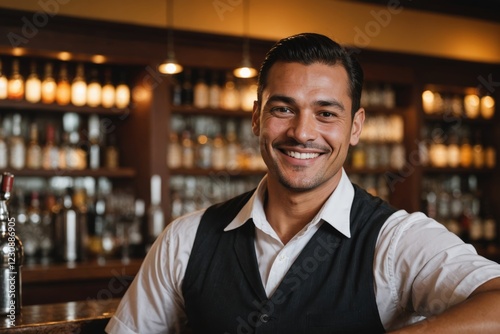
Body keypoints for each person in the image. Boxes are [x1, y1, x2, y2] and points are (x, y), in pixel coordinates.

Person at [105, 33, 500, 333]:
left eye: (326, 113)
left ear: (355, 127)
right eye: (283, 109)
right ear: (257, 117)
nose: (302, 132)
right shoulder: (184, 240)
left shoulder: (395, 240)